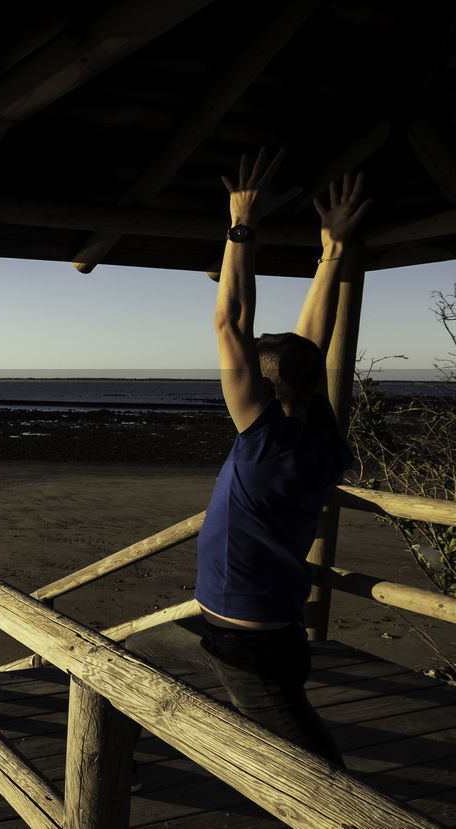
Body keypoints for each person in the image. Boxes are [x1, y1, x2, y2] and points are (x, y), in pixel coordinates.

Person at [125, 148, 371, 781]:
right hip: (269, 626)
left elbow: (229, 320)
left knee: (314, 773)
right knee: (283, 738)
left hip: (249, 638)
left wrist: (241, 226)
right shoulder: (315, 433)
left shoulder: (265, 442)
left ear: (262, 394)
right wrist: (333, 254)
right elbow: (309, 348)